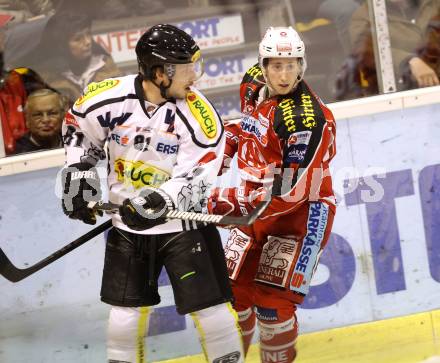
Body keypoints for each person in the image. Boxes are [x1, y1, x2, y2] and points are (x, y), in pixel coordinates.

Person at [60, 24, 244, 363]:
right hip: (128, 228)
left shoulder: (198, 115)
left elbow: (201, 172)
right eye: (185, 68)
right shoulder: (108, 97)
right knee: (124, 316)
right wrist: (78, 175)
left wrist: (160, 200)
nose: (194, 76)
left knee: (211, 310)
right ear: (159, 72)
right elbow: (78, 129)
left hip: (183, 227)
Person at [208, 27, 336, 362]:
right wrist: (217, 158)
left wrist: (219, 202)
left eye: (291, 65)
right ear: (263, 65)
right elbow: (244, 126)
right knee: (231, 296)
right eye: (276, 65)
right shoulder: (252, 82)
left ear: (302, 65)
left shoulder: (303, 120)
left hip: (300, 216)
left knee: (271, 308)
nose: (283, 74)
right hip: (253, 209)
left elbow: (287, 192)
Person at [14, 11, 121, 107]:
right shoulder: (47, 78)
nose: (88, 42)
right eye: (78, 39)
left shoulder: (105, 65)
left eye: (88, 34)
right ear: (62, 46)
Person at [0, 13, 48, 154]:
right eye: (0, 30)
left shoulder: (19, 77)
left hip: (26, 157)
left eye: (4, 29)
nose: (4, 34)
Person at [14, 88, 64, 154]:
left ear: (63, 116)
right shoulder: (17, 154)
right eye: (38, 115)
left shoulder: (76, 143)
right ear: (27, 120)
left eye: (52, 113)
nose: (46, 120)